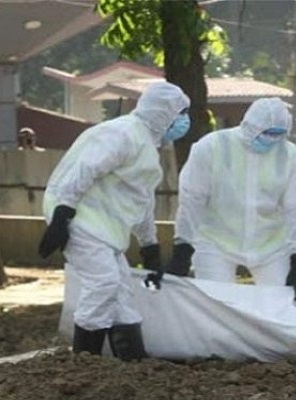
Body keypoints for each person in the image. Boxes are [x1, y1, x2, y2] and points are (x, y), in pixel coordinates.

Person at [39, 81, 191, 360]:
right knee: (104, 283)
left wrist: (150, 248)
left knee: (121, 292)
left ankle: (132, 361)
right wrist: (64, 212)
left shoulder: (146, 146)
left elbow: (142, 201)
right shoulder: (122, 133)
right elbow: (86, 169)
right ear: (163, 112)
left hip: (104, 228)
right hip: (80, 217)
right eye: (181, 113)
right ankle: (85, 360)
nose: (184, 121)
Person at [146, 97, 296, 308]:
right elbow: (192, 200)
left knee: (286, 305)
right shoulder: (211, 147)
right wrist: (183, 246)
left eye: (277, 134)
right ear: (249, 126)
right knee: (217, 307)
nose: (271, 139)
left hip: (271, 244)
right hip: (215, 241)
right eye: (266, 133)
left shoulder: (289, 155)